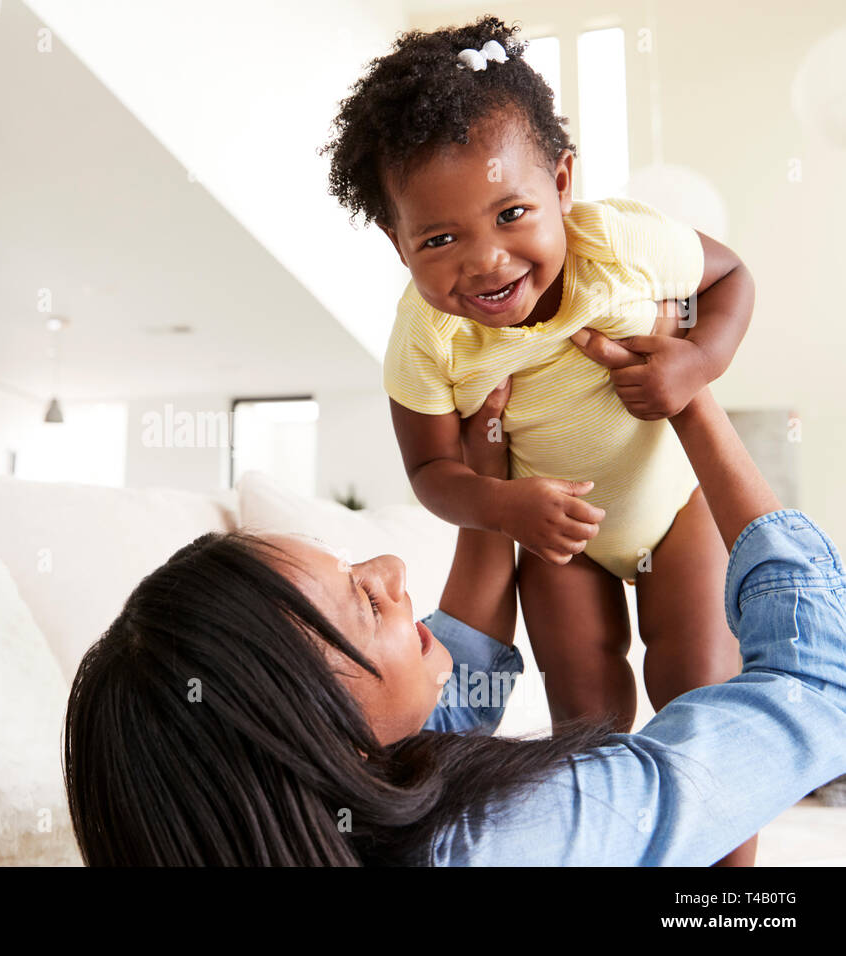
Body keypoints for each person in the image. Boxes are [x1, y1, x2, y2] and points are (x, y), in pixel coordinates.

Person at [62, 335, 846, 865]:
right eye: (365, 604)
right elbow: (820, 688)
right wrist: (695, 406)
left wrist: (490, 491)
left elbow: (452, 681)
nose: (394, 569)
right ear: (310, 742)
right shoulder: (516, 833)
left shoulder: (322, 824)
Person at [319, 15, 757, 862]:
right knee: (587, 710)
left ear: (562, 182)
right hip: (562, 538)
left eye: (512, 213)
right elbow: (432, 470)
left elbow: (733, 276)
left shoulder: (620, 243)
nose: (484, 262)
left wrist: (697, 360)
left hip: (673, 508)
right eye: (439, 239)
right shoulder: (425, 338)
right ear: (396, 241)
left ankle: (728, 886)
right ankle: (607, 841)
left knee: (695, 687)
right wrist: (507, 503)